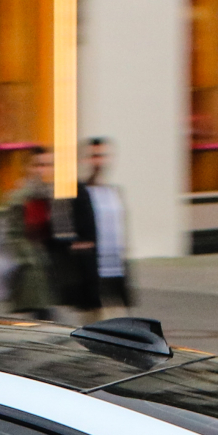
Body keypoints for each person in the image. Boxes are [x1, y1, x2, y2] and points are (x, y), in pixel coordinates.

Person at [64, 136, 133, 320]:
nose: (98, 161)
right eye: (93, 156)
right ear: (84, 159)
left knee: (120, 323)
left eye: (102, 155)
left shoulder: (114, 192)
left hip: (115, 271)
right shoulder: (79, 193)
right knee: (93, 326)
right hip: (90, 273)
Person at [0, 149, 58, 319]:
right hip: (29, 268)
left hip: (46, 266)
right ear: (28, 168)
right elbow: (12, 233)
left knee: (44, 315)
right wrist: (26, 260)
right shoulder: (20, 197)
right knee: (35, 315)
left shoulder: (48, 194)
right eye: (38, 165)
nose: (42, 170)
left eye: (47, 165)